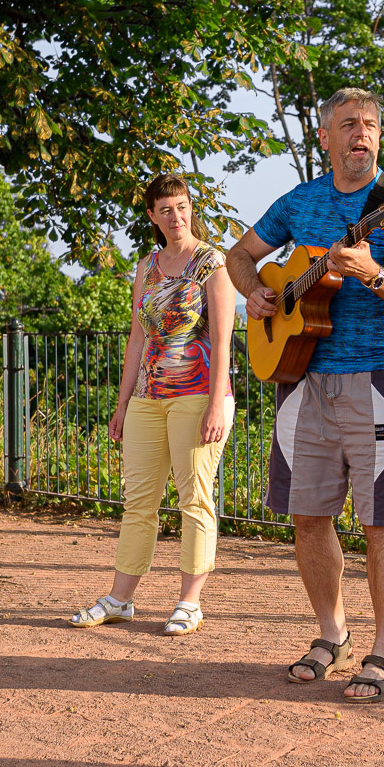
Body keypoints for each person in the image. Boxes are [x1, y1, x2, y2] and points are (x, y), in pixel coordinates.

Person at [226, 87, 384, 702]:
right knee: (308, 517)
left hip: (378, 378)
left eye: (370, 124)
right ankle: (332, 634)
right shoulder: (300, 201)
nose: (361, 134)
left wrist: (371, 271)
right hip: (300, 378)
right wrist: (257, 294)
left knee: (382, 522)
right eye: (348, 124)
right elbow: (242, 256)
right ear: (325, 137)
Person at [68, 173, 238, 637]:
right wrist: (122, 404)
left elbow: (223, 341)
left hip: (198, 394)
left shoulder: (212, 263)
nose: (175, 216)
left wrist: (217, 405)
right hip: (147, 397)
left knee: (194, 499)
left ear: (190, 209)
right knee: (138, 501)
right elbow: (137, 339)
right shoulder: (146, 266)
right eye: (165, 209)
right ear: (152, 216)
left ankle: (189, 602)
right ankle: (121, 599)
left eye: (181, 206)